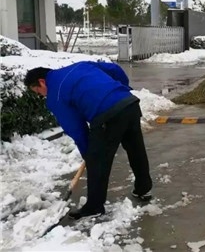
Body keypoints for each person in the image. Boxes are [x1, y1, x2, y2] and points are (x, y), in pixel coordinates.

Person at [24, 62, 153, 219]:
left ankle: (94, 207)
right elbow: (114, 69)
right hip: (129, 104)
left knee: (98, 162)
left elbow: (76, 129)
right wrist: (123, 89)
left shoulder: (55, 95)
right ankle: (143, 188)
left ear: (42, 82)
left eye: (38, 92)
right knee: (135, 149)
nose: (41, 95)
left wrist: (90, 155)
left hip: (108, 115)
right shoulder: (79, 66)